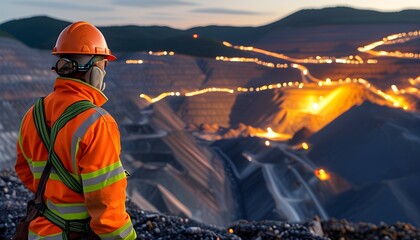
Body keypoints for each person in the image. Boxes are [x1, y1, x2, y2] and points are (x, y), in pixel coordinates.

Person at [15, 21, 137, 239]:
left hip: (39, 231)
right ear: (94, 72)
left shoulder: (32, 114)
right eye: (103, 65)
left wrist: (57, 196)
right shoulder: (98, 123)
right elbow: (107, 210)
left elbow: (24, 169)